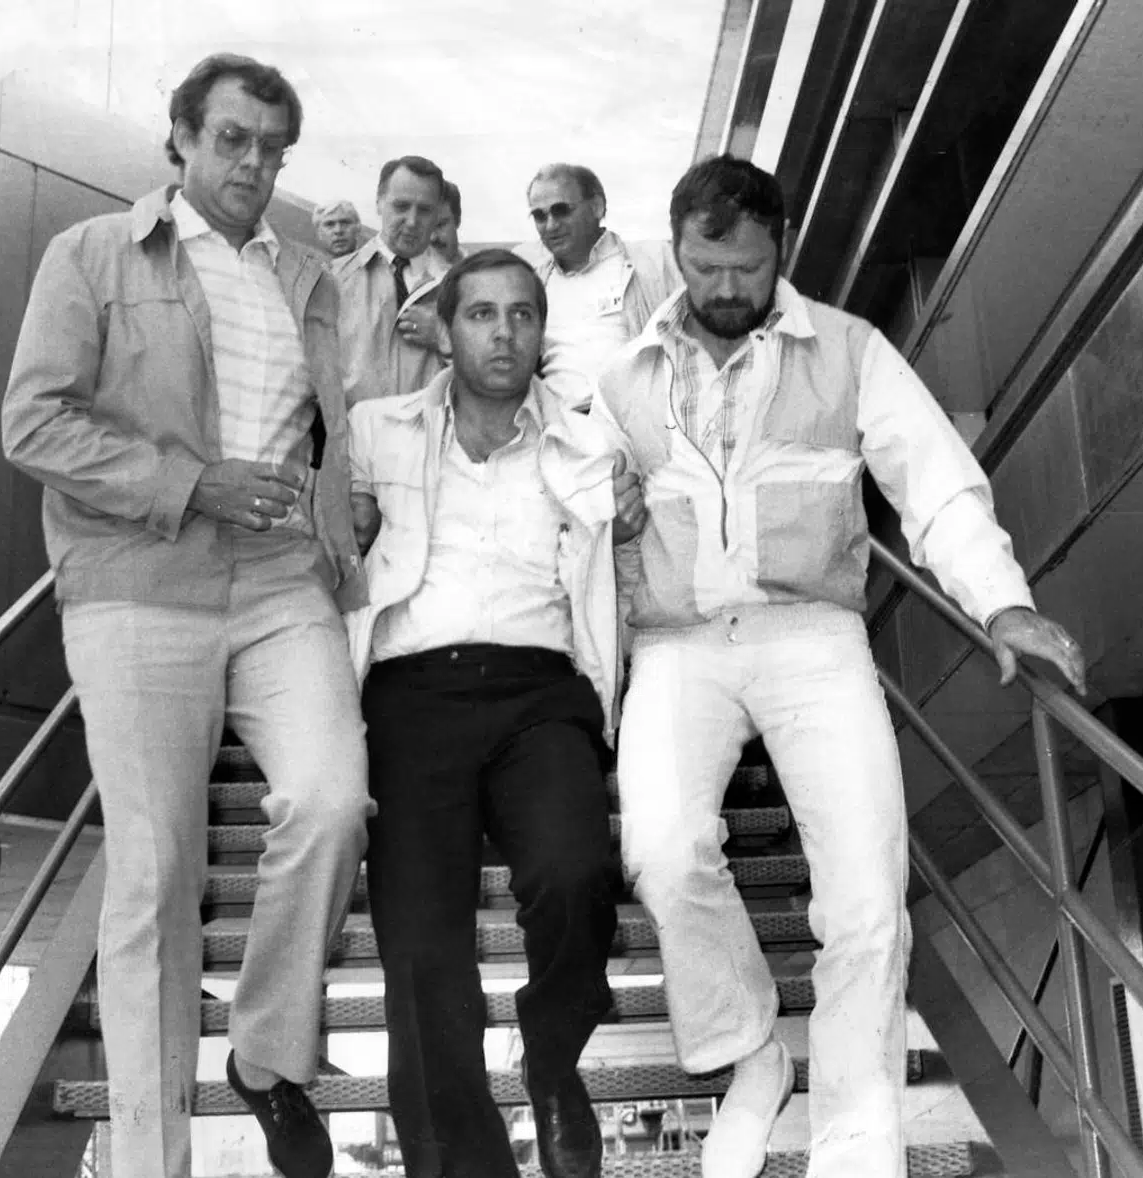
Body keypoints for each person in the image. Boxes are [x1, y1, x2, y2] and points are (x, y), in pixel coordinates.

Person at [594, 156, 1087, 1178]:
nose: (726, 288)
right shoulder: (620, 376)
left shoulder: (850, 349)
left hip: (814, 638)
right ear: (675, 252)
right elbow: (566, 507)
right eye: (704, 268)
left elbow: (933, 478)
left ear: (782, 249)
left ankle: (857, 1140)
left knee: (866, 892)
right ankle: (749, 1053)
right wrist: (605, 513)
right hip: (678, 644)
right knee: (664, 851)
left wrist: (1002, 601)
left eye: (748, 267)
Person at [0, 52, 371, 1178]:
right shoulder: (93, 253)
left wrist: (341, 532)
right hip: (139, 578)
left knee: (332, 800)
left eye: (274, 149)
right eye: (233, 139)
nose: (255, 164)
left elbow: (330, 432)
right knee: (156, 874)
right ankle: (150, 1160)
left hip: (281, 581)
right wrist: (191, 483)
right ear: (180, 139)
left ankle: (264, 1052)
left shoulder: (308, 278)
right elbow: (33, 423)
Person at [346, 250, 647, 1178]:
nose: (504, 332)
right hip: (410, 695)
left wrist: (631, 524)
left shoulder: (591, 443)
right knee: (420, 943)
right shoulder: (376, 432)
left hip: (540, 691)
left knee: (574, 872)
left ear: (542, 332)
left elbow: (628, 564)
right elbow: (334, 553)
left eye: (523, 314)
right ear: (444, 331)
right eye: (481, 313)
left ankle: (552, 1060)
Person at [515, 163, 680, 412]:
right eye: (539, 216)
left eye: (561, 211)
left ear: (597, 207)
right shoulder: (532, 282)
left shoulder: (655, 262)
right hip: (561, 422)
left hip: (635, 418)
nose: (550, 225)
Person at [333, 155, 451, 406]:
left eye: (425, 210)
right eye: (401, 206)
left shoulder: (459, 287)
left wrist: (446, 338)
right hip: (353, 429)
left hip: (429, 429)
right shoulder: (335, 279)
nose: (412, 221)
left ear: (438, 214)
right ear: (379, 202)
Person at [429, 179, 467, 267]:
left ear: (457, 220)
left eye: (440, 225)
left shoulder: (482, 271)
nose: (432, 237)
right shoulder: (401, 272)